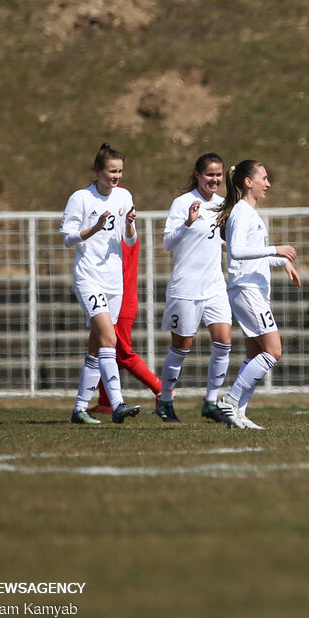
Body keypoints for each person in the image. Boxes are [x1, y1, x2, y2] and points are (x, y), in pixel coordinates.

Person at [213, 160, 301, 430]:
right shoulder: (242, 212)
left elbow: (253, 255)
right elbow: (236, 251)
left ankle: (238, 415)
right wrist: (275, 249)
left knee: (255, 354)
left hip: (252, 291)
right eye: (264, 178)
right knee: (273, 351)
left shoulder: (248, 213)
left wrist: (281, 261)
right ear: (248, 182)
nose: (268, 184)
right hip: (247, 290)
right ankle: (230, 401)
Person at [59, 143, 142, 425]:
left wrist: (129, 225)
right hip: (89, 277)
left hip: (113, 280)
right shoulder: (81, 198)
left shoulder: (124, 196)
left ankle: (79, 409)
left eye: (120, 171)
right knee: (109, 338)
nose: (116, 176)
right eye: (111, 171)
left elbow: (130, 240)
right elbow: (67, 238)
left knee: (96, 347)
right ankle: (117, 404)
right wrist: (93, 229)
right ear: (98, 171)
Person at [155, 153, 235, 424]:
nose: (215, 179)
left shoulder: (222, 204)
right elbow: (168, 243)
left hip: (214, 286)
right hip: (186, 288)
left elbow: (216, 240)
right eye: (210, 174)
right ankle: (165, 401)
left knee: (224, 343)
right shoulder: (182, 203)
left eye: (218, 174)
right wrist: (188, 223)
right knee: (181, 348)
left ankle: (210, 402)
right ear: (198, 175)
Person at [88, 237, 162, 414]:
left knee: (122, 353)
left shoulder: (120, 235)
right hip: (112, 298)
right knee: (104, 348)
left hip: (121, 300)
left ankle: (161, 390)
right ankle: (105, 401)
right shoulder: (116, 234)